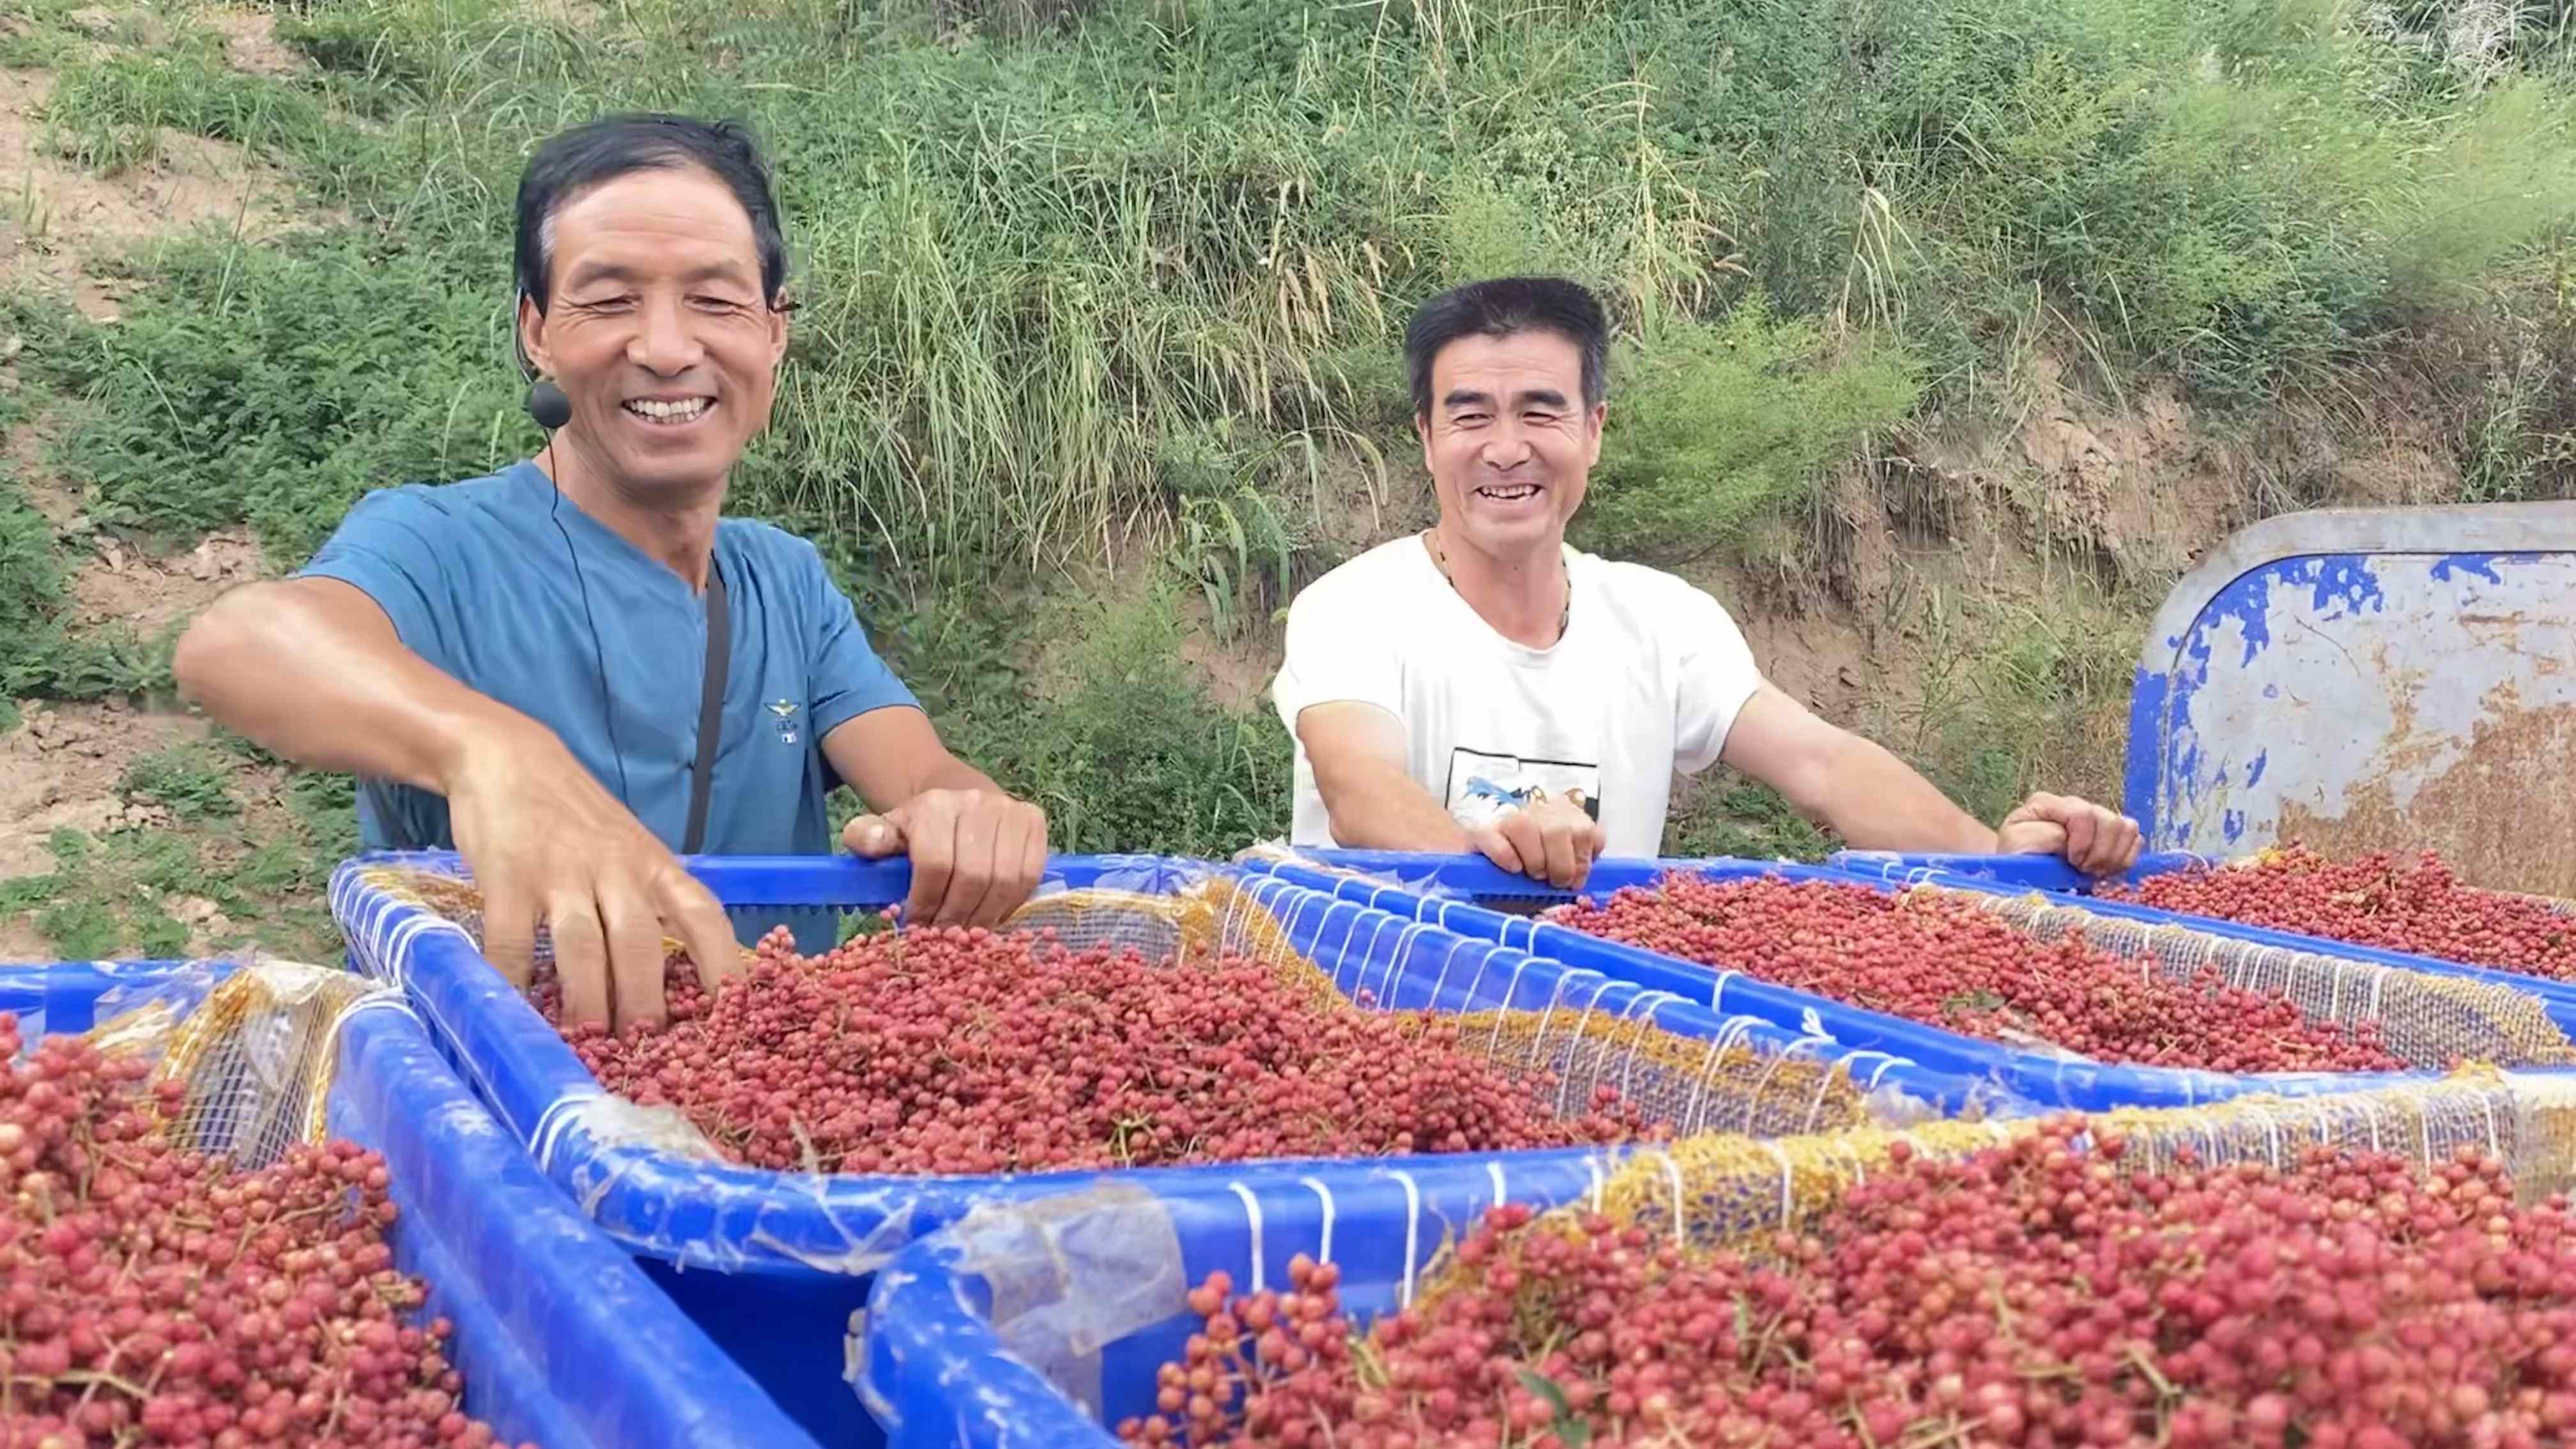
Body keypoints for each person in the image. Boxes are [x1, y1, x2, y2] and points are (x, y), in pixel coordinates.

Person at [174, 115, 1047, 1031]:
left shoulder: (786, 585)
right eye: (609, 301)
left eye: (717, 301)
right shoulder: (440, 544)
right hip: (503, 1125)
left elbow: (925, 777)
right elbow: (238, 644)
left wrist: (969, 817)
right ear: (538, 332)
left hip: (772, 1133)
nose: (668, 348)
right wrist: (490, 752)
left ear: (774, 334)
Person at [1271, 276, 2142, 889]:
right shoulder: (1355, 608)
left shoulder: (1663, 622)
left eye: (1542, 411)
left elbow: (1823, 765)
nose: (1507, 449)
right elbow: (1359, 791)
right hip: (1375, 1005)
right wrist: (1487, 861)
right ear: (1427, 439)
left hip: (1580, 1019)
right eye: (1471, 416)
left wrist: (1993, 854)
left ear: (1595, 430)